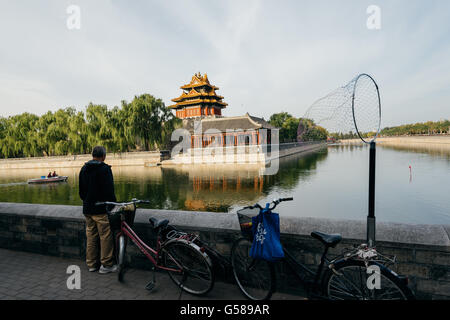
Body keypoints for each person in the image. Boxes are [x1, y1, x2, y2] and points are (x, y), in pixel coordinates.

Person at [79, 146, 118, 274]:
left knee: (91, 236)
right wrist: (113, 205)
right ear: (103, 156)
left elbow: (81, 192)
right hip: (100, 209)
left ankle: (91, 264)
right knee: (105, 236)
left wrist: (88, 200)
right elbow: (109, 191)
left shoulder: (84, 168)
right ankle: (106, 265)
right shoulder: (104, 169)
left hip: (87, 209)